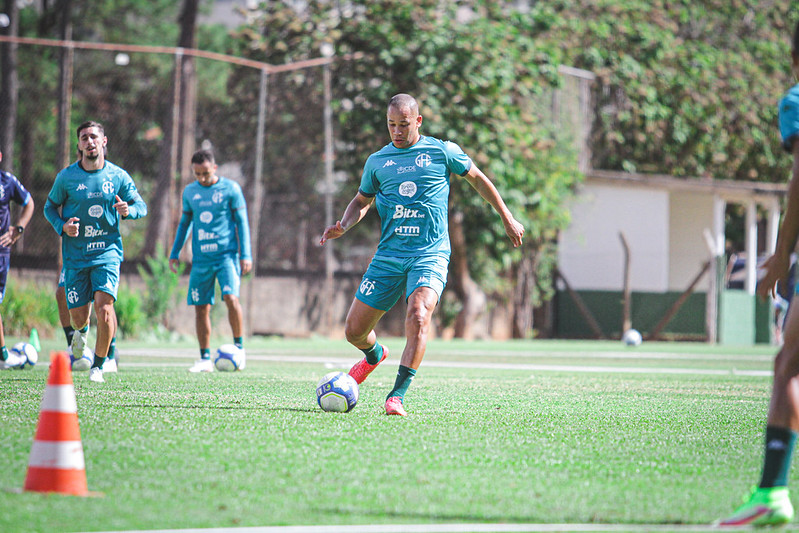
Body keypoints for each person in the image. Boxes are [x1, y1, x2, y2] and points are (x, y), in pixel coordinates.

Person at [320, 93, 524, 416]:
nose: (397, 131)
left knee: (418, 313)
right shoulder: (377, 162)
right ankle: (374, 356)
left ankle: (396, 395)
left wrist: (506, 217)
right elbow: (361, 200)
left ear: (418, 121)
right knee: (354, 331)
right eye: (391, 125)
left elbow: (479, 180)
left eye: (403, 125)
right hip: (389, 255)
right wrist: (344, 225)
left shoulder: (442, 151)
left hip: (429, 253)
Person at [717, 21, 799, 527]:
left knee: (789, 366)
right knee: (786, 363)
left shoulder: (794, 99)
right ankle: (771, 491)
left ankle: (772, 492)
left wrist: (781, 253)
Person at [43, 121, 147, 383]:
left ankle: (99, 366)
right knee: (79, 317)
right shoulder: (66, 177)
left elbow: (141, 206)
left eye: (94, 137)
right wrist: (62, 226)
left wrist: (128, 210)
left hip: (107, 254)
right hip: (76, 257)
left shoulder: (118, 176)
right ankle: (80, 334)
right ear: (79, 145)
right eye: (84, 138)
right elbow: (49, 207)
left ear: (104, 141)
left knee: (105, 308)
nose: (89, 141)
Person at [169, 149, 252, 372]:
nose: (202, 178)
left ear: (214, 168)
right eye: (198, 174)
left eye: (206, 173)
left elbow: (242, 223)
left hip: (226, 256)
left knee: (231, 298)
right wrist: (175, 252)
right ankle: (204, 358)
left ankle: (239, 349)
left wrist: (246, 254)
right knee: (200, 307)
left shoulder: (231, 189)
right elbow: (184, 224)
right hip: (201, 259)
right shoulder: (190, 192)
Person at [0, 151, 35, 369]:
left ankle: (3, 357)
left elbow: (29, 203)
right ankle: (3, 356)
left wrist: (19, 228)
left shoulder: (7, 181)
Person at [56, 268, 118, 372]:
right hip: (76, 257)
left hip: (100, 254)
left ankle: (109, 357)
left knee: (104, 301)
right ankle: (73, 349)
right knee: (62, 292)